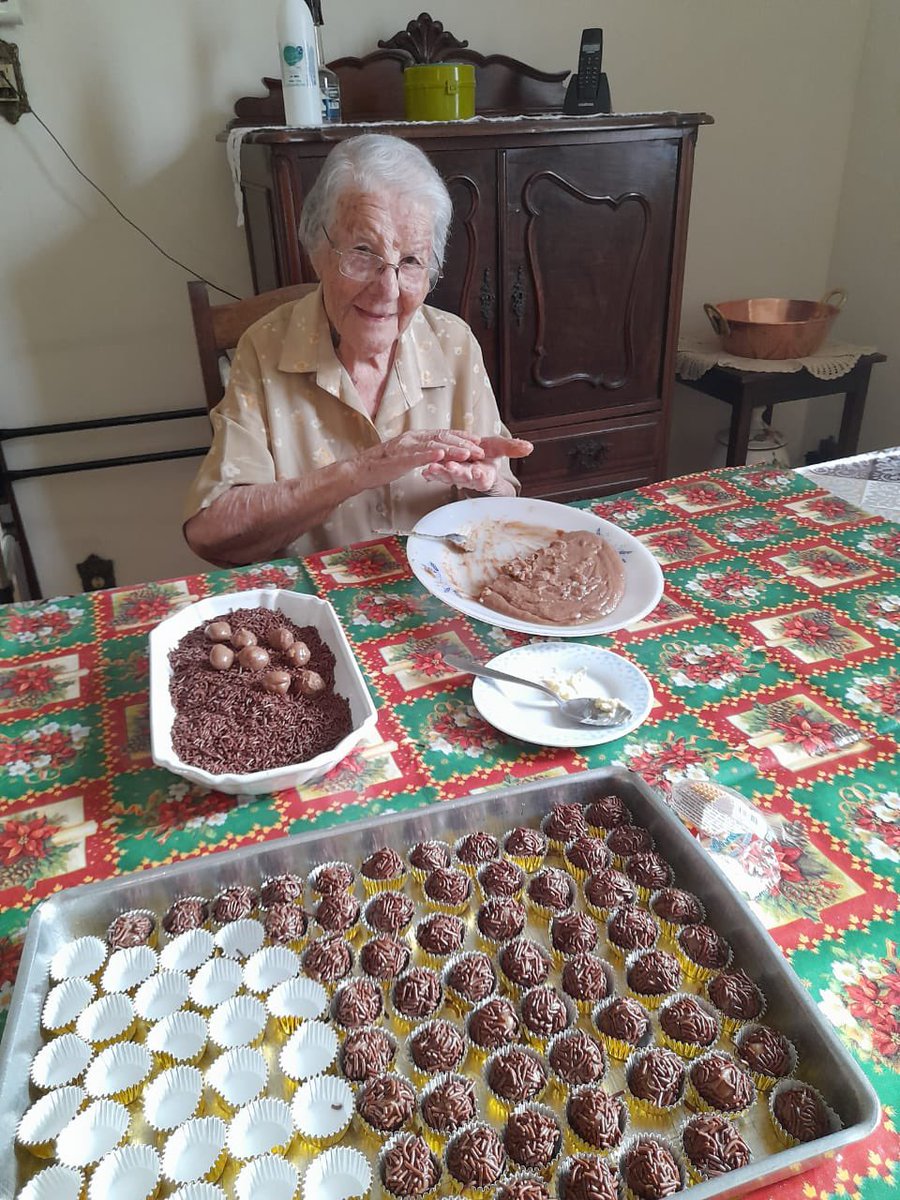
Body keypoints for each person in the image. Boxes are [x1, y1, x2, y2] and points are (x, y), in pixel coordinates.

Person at [184, 133, 532, 566]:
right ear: (317, 250)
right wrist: (359, 471)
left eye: (410, 262)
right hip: (314, 613)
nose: (387, 290)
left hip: (438, 597)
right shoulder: (265, 348)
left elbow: (504, 500)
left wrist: (486, 485)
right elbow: (212, 532)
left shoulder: (453, 343)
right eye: (363, 252)